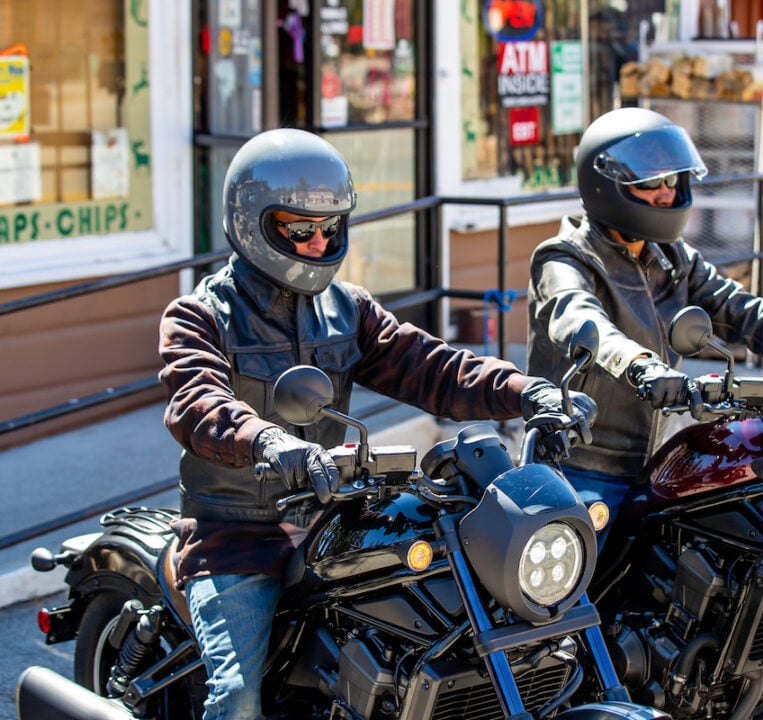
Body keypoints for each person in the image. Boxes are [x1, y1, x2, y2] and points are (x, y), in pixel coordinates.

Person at [158, 128, 595, 720]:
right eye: (298, 229)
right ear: (250, 222)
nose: (318, 243)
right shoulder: (201, 315)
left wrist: (528, 391)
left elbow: (433, 368)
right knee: (237, 699)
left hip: (326, 518)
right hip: (237, 535)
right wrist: (266, 438)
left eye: (331, 229)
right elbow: (198, 403)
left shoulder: (349, 308)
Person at [527, 107, 763, 519]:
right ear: (607, 184)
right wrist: (642, 366)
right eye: (650, 182)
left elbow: (745, 312)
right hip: (579, 468)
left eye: (671, 180)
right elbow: (583, 319)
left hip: (657, 464)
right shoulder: (564, 260)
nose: (667, 193)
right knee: (569, 580)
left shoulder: (673, 260)